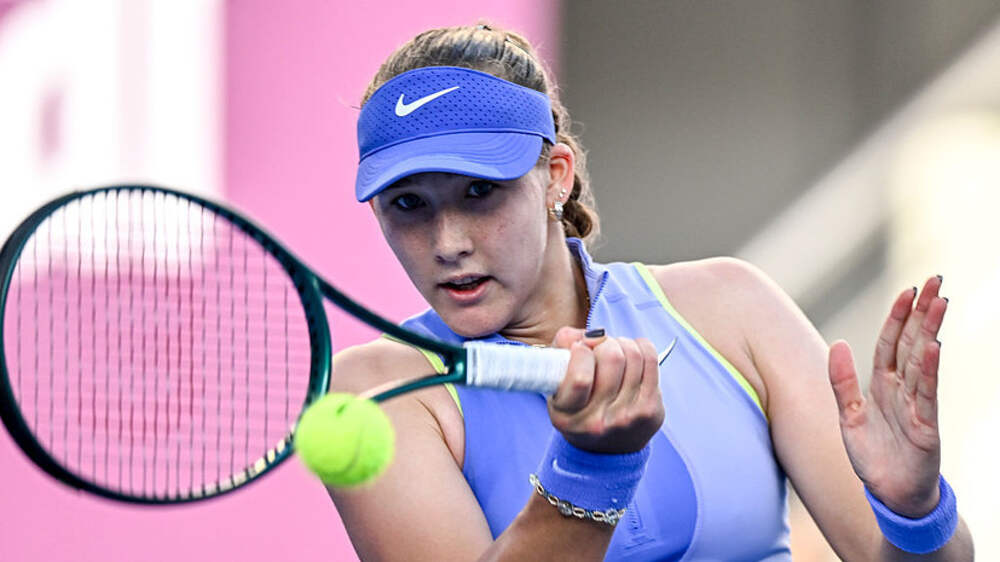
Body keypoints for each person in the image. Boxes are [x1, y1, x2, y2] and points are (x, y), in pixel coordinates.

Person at [327, 24, 974, 561]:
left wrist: (914, 511)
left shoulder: (735, 308)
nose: (448, 243)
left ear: (556, 177)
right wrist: (591, 469)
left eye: (480, 192)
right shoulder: (376, 392)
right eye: (408, 204)